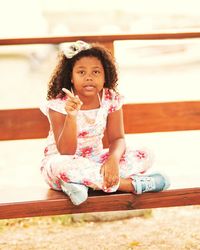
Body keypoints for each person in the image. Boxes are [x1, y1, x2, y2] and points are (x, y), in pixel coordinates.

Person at [40, 40, 170, 206]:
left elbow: (118, 138)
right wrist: (71, 116)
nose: (89, 77)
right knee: (64, 168)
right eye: (81, 72)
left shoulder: (110, 99)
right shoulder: (58, 104)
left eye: (96, 72)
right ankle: (132, 185)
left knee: (145, 153)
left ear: (105, 76)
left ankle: (82, 184)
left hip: (95, 160)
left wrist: (112, 161)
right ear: (71, 77)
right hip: (60, 163)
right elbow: (66, 151)